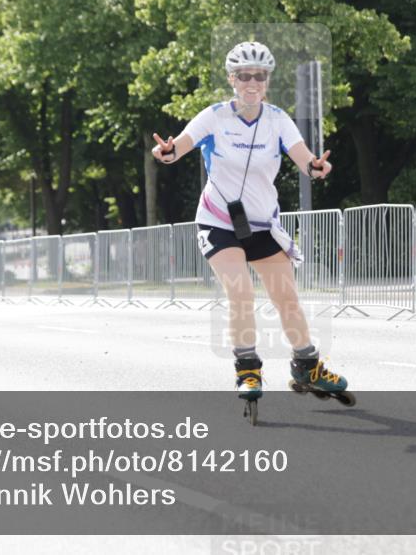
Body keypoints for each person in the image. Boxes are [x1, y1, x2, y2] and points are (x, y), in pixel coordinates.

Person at [150, 41, 350, 404]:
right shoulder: (213, 116)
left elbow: (304, 159)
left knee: (286, 297)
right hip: (218, 221)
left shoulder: (278, 119)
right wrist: (166, 152)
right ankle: (248, 369)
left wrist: (316, 168)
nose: (252, 82)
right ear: (232, 79)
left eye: (259, 75)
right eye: (244, 76)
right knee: (240, 292)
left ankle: (308, 366)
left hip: (261, 223)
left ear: (267, 80)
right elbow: (178, 147)